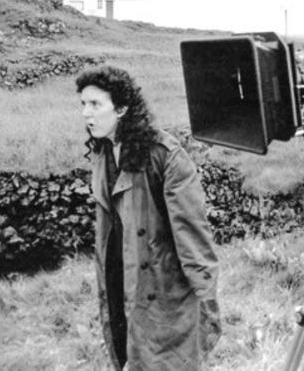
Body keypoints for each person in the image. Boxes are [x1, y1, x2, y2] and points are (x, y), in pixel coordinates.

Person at [77, 66, 221, 370]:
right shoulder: (103, 151)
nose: (86, 114)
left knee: (167, 361)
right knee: (130, 354)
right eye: (83, 104)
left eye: (95, 104)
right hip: (122, 277)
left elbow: (192, 231)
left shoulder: (164, 155)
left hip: (163, 287)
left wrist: (206, 298)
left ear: (122, 109)